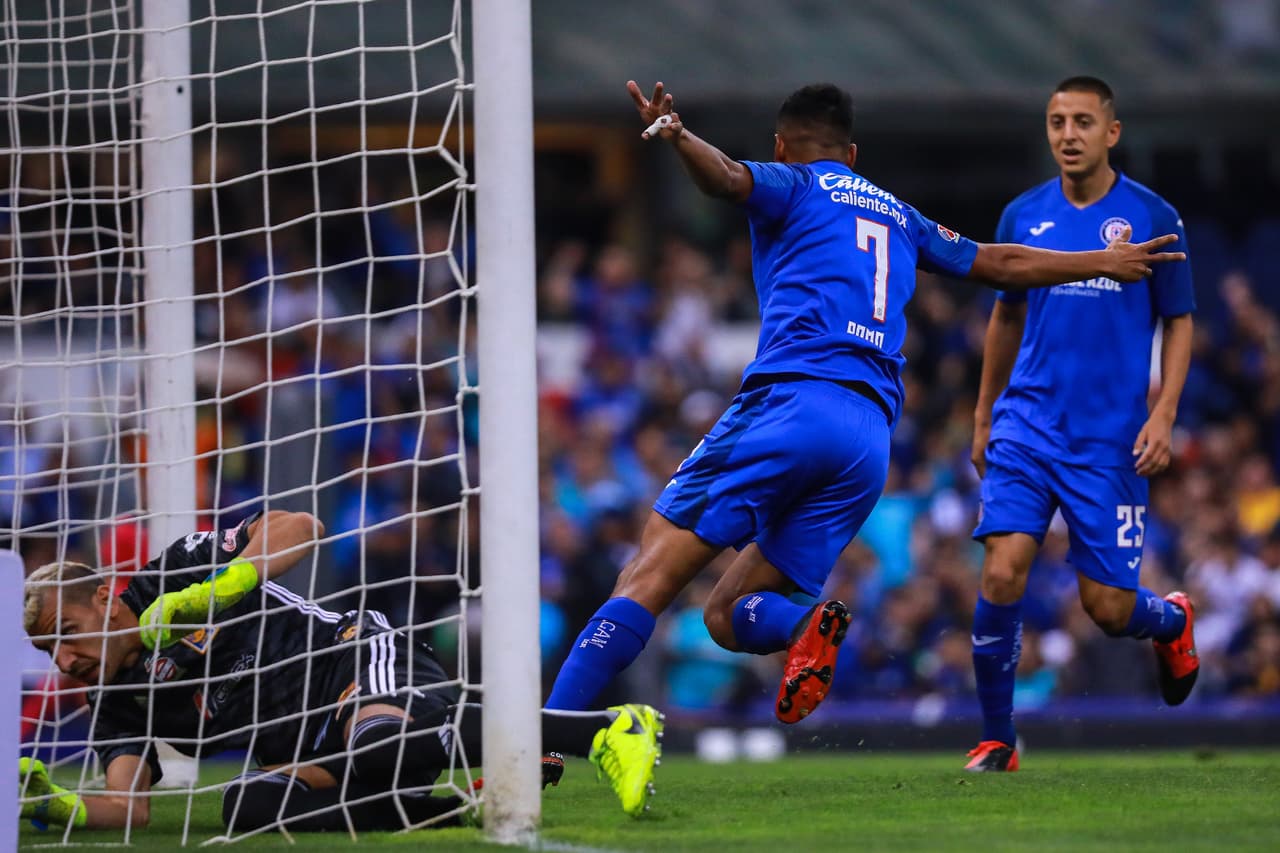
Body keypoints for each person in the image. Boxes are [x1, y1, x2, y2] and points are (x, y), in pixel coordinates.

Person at [544, 80, 1187, 757]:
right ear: (851, 151)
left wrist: (676, 136)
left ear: (782, 146)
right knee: (727, 614)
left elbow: (728, 179)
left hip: (790, 403)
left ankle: (548, 740)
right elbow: (998, 263)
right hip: (867, 441)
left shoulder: (791, 183)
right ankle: (804, 626)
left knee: (646, 574)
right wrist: (1103, 263)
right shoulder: (898, 212)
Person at [19, 510, 662, 834]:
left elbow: (301, 526)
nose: (66, 662)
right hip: (314, 746)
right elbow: (128, 807)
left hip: (355, 661)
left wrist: (222, 586)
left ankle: (603, 731)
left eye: (67, 636)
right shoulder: (116, 699)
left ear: (104, 598)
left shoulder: (173, 573)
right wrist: (59, 804)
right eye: (51, 653)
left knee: (377, 739)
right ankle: (452, 810)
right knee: (248, 804)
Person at [965, 77, 1198, 772]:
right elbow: (1005, 315)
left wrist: (1164, 410)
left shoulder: (1155, 215)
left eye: (1083, 122)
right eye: (1057, 121)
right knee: (1003, 570)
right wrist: (984, 412)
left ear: (1112, 133)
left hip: (1109, 440)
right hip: (1027, 424)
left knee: (1108, 608)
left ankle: (1173, 620)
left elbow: (1180, 319)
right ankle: (998, 738)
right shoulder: (1022, 215)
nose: (1068, 134)